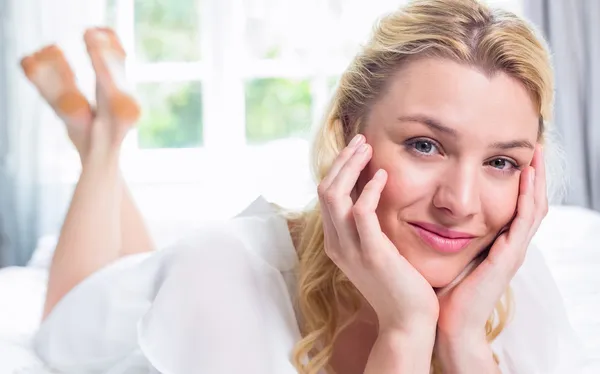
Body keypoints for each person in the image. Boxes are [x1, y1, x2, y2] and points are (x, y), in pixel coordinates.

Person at [19, 0, 587, 373]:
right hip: (109, 322)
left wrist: (461, 338)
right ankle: (101, 143)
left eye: (501, 163)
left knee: (141, 253)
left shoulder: (506, 282)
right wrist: (406, 328)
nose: (459, 204)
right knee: (68, 311)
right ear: (348, 132)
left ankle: (104, 132)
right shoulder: (223, 275)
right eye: (425, 145)